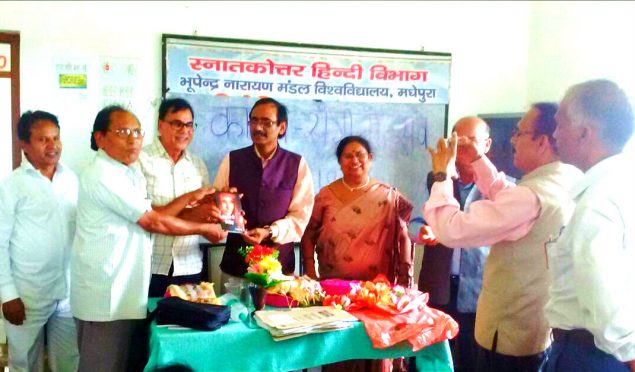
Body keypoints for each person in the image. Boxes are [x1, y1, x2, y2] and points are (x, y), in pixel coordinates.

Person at [423, 103, 583, 371]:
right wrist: (477, 158)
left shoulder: (530, 196)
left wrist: (442, 175)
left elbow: (451, 229)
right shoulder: (567, 178)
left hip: (510, 332)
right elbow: (506, 192)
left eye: (519, 133)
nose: (512, 139)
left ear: (542, 141)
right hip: (535, 324)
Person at [71, 105, 225, 371]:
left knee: (130, 362)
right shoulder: (103, 174)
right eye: (123, 132)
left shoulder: (127, 171)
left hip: (127, 288)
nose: (133, 139)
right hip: (106, 294)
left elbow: (156, 213)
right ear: (100, 138)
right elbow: (152, 221)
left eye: (136, 132)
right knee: (102, 364)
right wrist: (202, 229)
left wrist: (194, 200)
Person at [543, 79, 635, 371]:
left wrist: (630, 355)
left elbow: (603, 295)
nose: (554, 135)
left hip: (595, 357)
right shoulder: (620, 184)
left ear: (584, 132)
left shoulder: (598, 201)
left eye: (560, 125)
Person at [301, 135, 413, 372]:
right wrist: (312, 275)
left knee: (375, 353)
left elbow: (405, 240)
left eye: (360, 155)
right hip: (335, 293)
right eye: (348, 156)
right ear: (340, 161)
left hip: (376, 294)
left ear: (370, 159)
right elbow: (308, 235)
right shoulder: (325, 196)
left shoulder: (388, 196)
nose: (355, 160)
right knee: (337, 353)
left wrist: (404, 285)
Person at [0, 111, 79, 372]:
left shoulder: (71, 179)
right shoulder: (12, 186)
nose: (52, 146)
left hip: (68, 292)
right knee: (24, 363)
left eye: (56, 138)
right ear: (24, 144)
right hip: (27, 293)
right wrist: (8, 294)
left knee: (68, 362)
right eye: (42, 139)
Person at [418, 117, 492, 372]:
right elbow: (426, 217)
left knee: (471, 358)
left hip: (478, 286)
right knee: (434, 356)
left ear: (487, 144)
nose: (461, 146)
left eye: (470, 140)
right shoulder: (436, 178)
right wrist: (427, 229)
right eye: (456, 140)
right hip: (440, 281)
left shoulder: (501, 187)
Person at [213, 97, 314, 283]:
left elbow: (300, 217)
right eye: (254, 121)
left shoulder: (296, 164)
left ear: (281, 127)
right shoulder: (232, 160)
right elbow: (216, 209)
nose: (258, 127)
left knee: (276, 312)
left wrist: (269, 232)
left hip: (279, 269)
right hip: (236, 266)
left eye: (266, 122)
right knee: (233, 312)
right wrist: (227, 210)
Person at [137, 98, 220, 298]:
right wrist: (190, 204)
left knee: (186, 327)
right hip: (150, 266)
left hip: (190, 266)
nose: (184, 130)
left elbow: (204, 220)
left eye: (189, 125)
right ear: (160, 125)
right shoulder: (140, 160)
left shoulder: (197, 165)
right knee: (149, 327)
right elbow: (145, 217)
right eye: (177, 124)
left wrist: (223, 219)